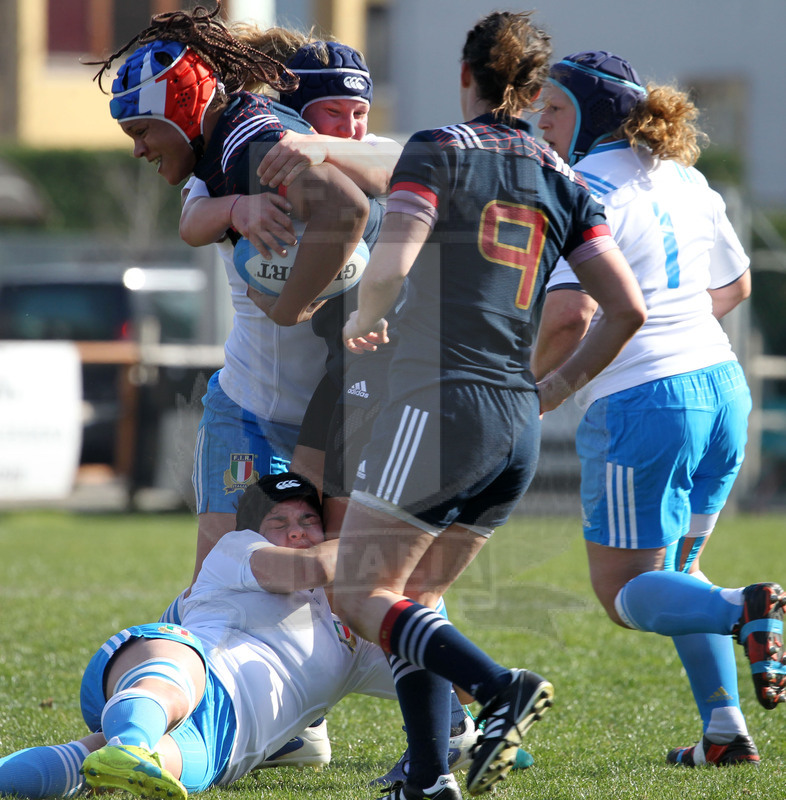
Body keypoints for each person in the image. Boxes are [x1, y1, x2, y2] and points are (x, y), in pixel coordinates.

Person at [332, 12, 648, 800]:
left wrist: (364, 318)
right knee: (419, 600)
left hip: (439, 405)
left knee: (359, 593)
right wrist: (553, 391)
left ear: (466, 74)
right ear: (534, 91)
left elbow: (394, 261)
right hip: (514, 423)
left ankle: (500, 687)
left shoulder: (438, 148)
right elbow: (626, 309)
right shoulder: (566, 179)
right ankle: (432, 776)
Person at [534, 50, 785, 767]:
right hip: (720, 385)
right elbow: (733, 286)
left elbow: (569, 318)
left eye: (553, 108)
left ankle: (748, 609)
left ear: (590, 115)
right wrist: (673, 326)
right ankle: (726, 731)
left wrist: (520, 392)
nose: (541, 122)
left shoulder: (580, 186)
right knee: (677, 571)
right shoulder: (685, 177)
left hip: (647, 404)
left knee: (624, 593)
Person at [90, 3, 377, 595]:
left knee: (345, 594)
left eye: (141, 130)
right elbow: (193, 220)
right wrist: (234, 209)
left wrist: (293, 304)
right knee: (224, 581)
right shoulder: (222, 147)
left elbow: (349, 209)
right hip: (252, 411)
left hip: (340, 410)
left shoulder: (255, 138)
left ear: (176, 108)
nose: (139, 150)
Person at [0, 473, 398, 800]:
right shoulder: (238, 549)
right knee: (178, 670)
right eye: (278, 523)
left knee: (87, 765)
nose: (295, 531)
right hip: (180, 665)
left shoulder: (354, 637)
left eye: (308, 520)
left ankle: (124, 748)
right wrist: (389, 535)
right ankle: (134, 740)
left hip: (224, 743)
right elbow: (312, 568)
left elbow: (447, 686)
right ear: (255, 531)